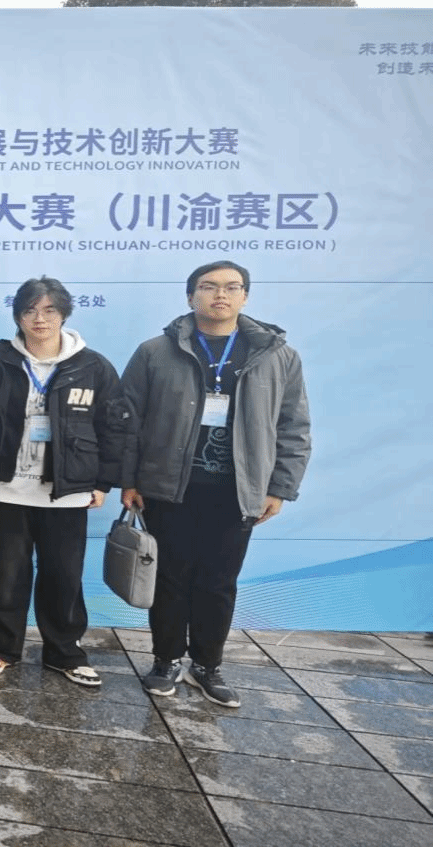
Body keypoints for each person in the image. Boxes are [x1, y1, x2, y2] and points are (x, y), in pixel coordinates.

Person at [120, 260, 310, 708]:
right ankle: (166, 660)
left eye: (231, 287)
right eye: (208, 287)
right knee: (169, 578)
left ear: (245, 296)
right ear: (191, 296)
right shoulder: (155, 352)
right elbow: (128, 420)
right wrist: (128, 480)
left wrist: (279, 487)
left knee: (219, 582)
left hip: (236, 489)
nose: (219, 294)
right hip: (169, 486)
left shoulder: (277, 356)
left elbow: (293, 426)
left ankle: (207, 665)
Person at [0, 277, 122, 686]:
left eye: (49, 310)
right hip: (7, 491)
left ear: (64, 314)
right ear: (18, 317)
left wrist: (104, 482)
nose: (39, 319)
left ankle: (65, 653)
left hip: (67, 493)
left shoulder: (93, 366)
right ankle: (3, 648)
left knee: (63, 577)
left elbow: (113, 428)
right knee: (6, 576)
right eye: (29, 310)